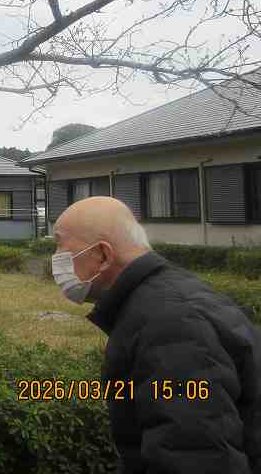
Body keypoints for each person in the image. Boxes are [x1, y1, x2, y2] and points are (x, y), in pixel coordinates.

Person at [52, 196, 261, 474]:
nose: (55, 259)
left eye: (60, 246)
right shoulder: (161, 301)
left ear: (103, 255)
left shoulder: (172, 325)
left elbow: (197, 457)